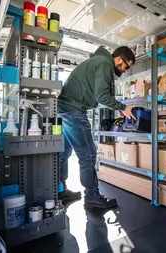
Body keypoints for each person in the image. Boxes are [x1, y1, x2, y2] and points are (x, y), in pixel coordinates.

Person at [57, 46, 136, 209]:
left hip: (64, 108)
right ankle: (92, 196)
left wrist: (118, 107)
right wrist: (122, 107)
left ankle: (59, 190)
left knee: (64, 152)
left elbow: (98, 94)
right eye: (126, 66)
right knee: (88, 154)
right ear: (119, 59)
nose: (126, 71)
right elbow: (102, 96)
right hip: (73, 109)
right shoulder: (105, 64)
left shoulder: (97, 61)